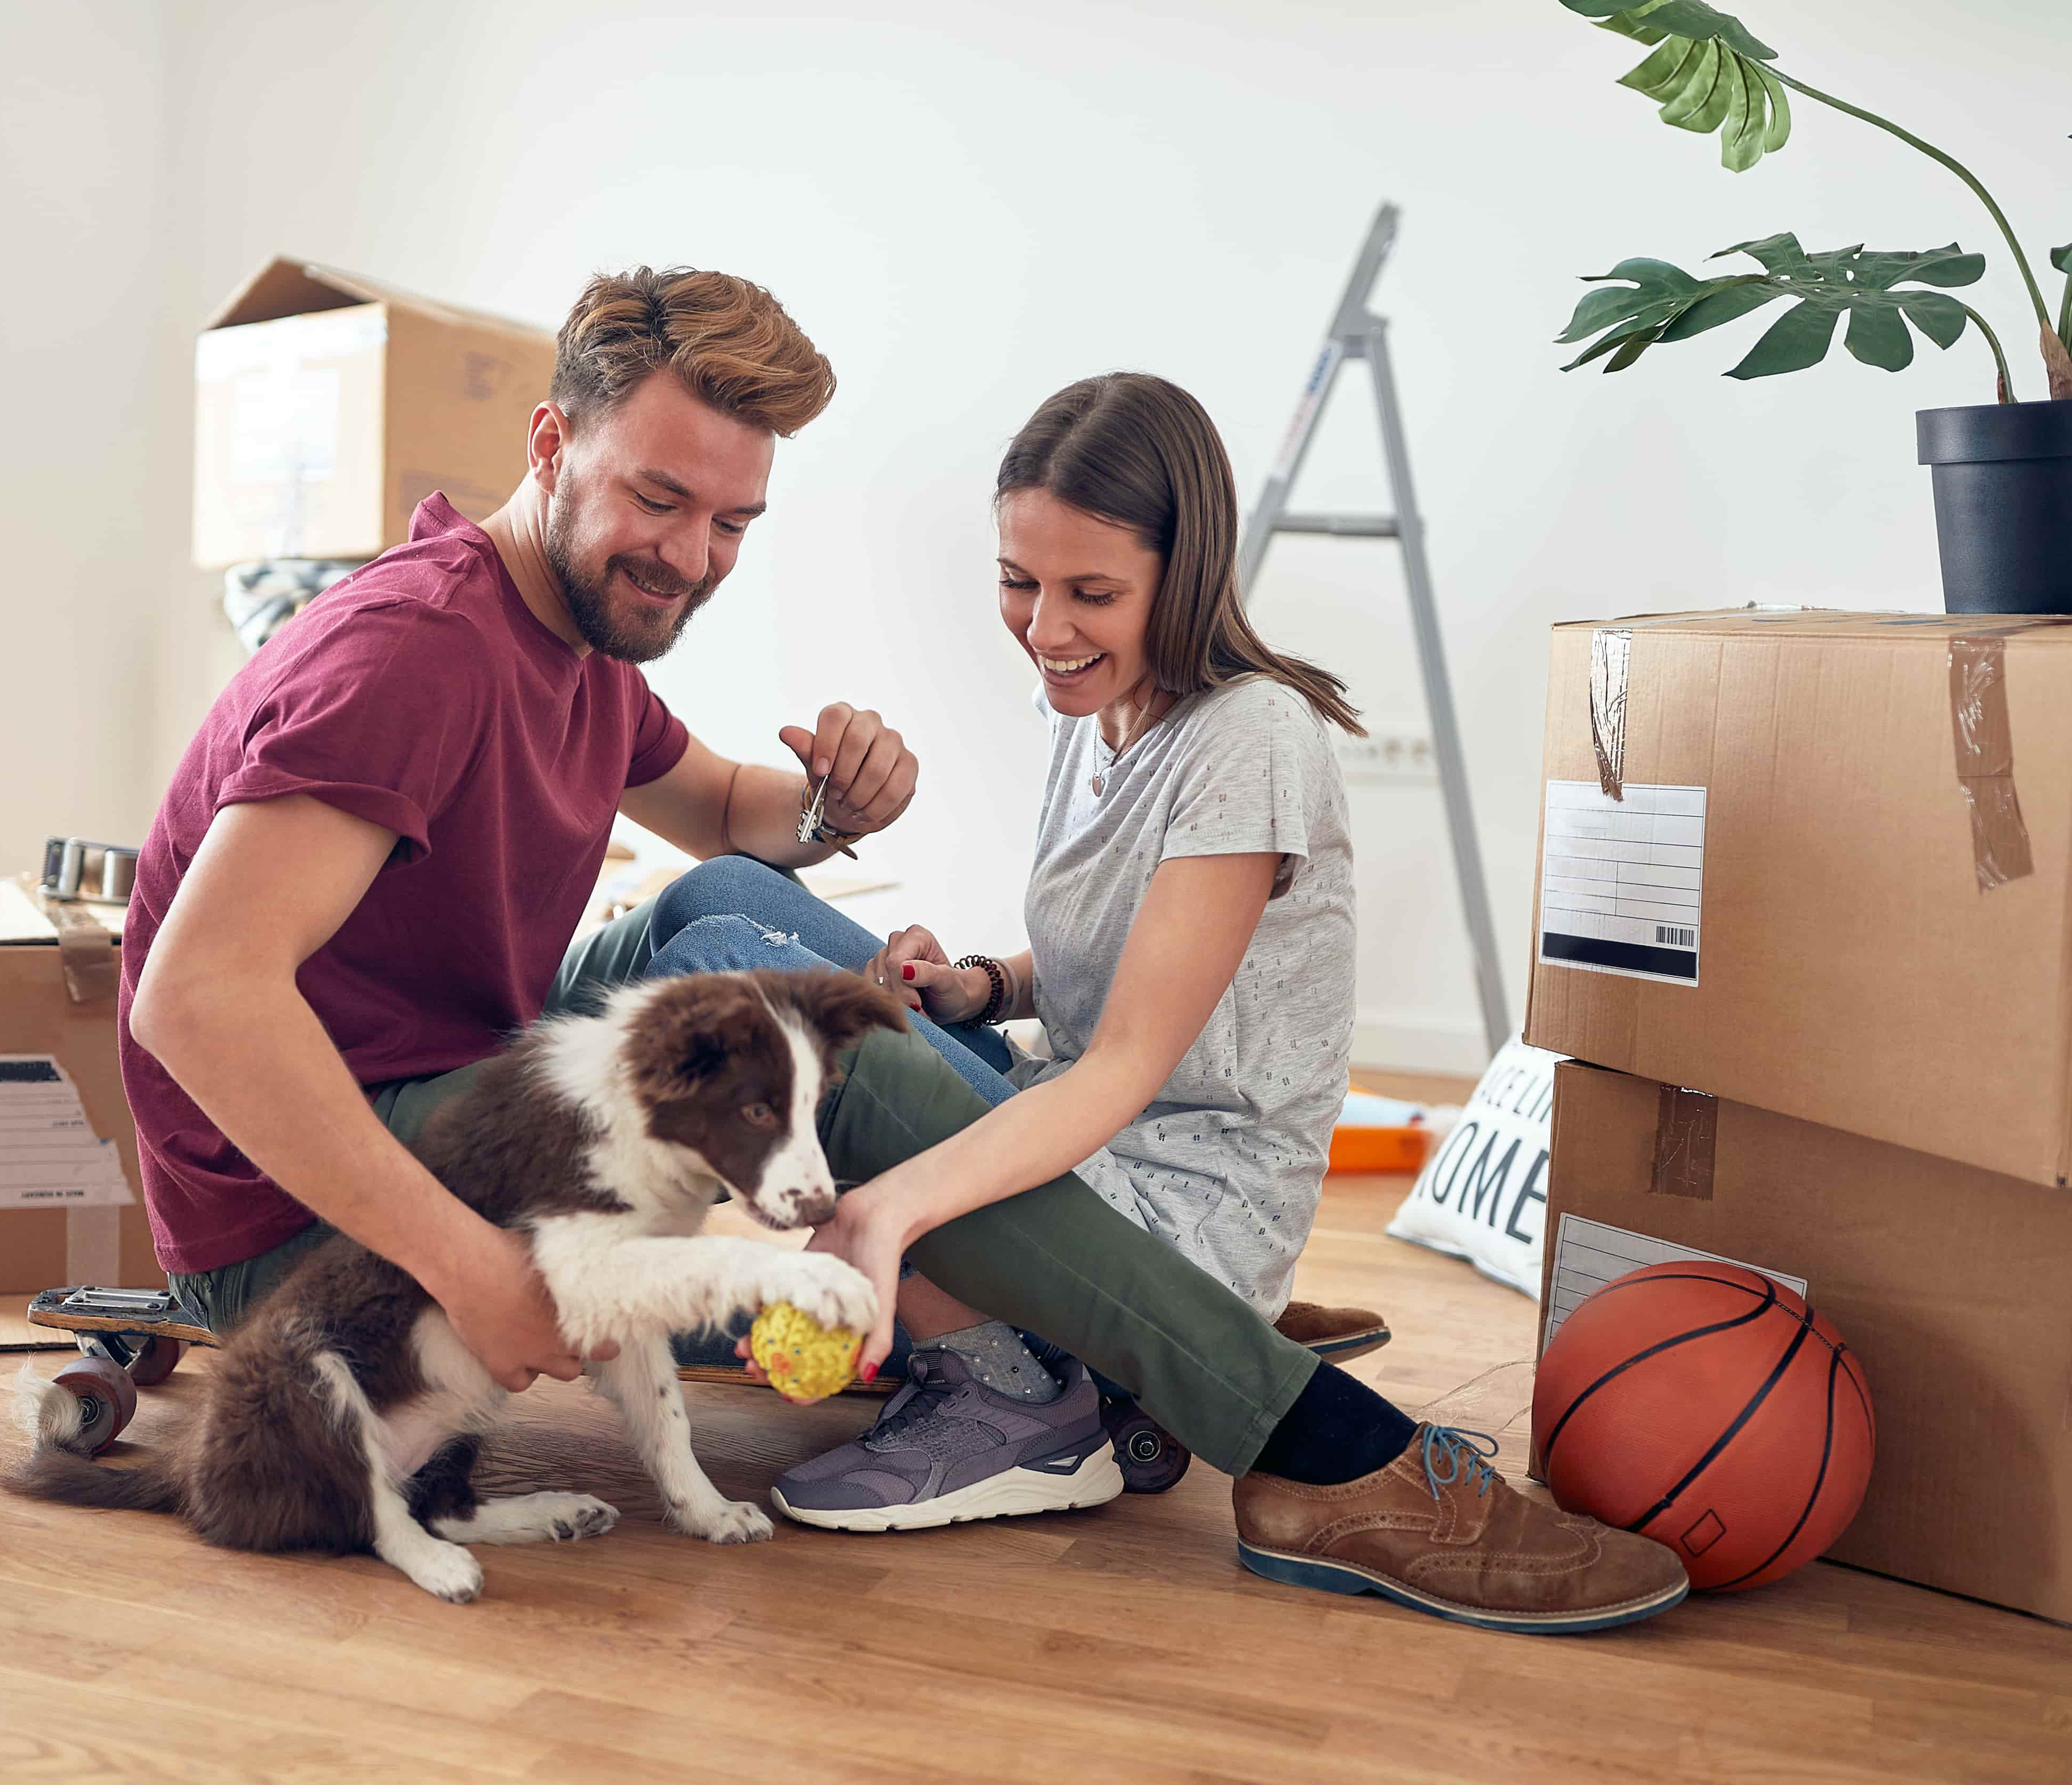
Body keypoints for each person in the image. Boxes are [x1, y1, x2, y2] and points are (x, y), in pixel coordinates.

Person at [121, 267, 1688, 1634]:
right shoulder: (414, 656)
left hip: (452, 1106)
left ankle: (1085, 1297)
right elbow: (197, 1000)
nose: (693, 553)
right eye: (658, 498)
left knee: (708, 921)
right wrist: (488, 1268)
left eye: (734, 518)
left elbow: (728, 809)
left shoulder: (570, 630)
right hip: (302, 1244)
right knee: (785, 1036)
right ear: (552, 443)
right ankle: (1318, 1451)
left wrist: (830, 793)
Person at [633, 372, 1382, 1522]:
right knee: (720, 900)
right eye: (1017, 581)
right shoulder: (1093, 710)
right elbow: (1133, 951)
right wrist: (979, 987)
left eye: (1090, 592)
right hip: (1071, 1114)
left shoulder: (1252, 740)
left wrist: (888, 1206)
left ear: (1183, 575)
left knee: (753, 1004)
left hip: (1173, 1202)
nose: (1044, 630)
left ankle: (1013, 1394)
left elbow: (1129, 1060)